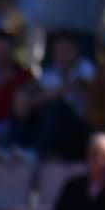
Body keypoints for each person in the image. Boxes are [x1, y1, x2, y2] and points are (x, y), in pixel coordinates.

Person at [29, 31, 95, 160]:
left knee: (57, 107)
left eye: (66, 49)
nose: (62, 54)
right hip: (58, 129)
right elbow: (37, 98)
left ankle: (38, 151)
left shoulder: (87, 68)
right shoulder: (50, 73)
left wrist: (53, 94)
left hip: (83, 128)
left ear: (76, 50)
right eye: (58, 49)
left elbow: (83, 86)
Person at [0, 30, 36, 155]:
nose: (2, 53)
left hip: (16, 129)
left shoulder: (25, 76)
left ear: (12, 51)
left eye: (5, 49)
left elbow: (29, 104)